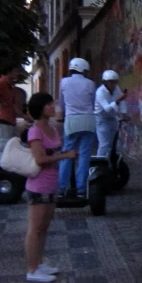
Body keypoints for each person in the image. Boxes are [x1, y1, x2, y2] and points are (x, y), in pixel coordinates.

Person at [24, 93, 77, 283]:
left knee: (44, 227)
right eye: (48, 104)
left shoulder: (53, 129)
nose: (52, 107)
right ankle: (31, 269)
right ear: (40, 108)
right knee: (35, 228)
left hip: (52, 183)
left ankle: (39, 263)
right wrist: (65, 156)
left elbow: (54, 151)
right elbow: (40, 159)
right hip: (38, 184)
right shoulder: (35, 131)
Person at [57, 58, 96, 198]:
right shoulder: (90, 83)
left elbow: (61, 103)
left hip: (71, 120)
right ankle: (81, 189)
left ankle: (61, 188)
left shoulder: (64, 82)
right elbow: (92, 102)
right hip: (88, 120)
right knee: (84, 155)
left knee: (67, 154)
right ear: (84, 69)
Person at [0, 66, 23, 164]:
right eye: (16, 71)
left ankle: (3, 165)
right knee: (2, 145)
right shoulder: (2, 82)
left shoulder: (9, 85)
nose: (18, 74)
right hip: (3, 118)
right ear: (9, 72)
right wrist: (0, 100)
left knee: (8, 144)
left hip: (8, 119)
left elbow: (12, 105)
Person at [94, 70, 128, 157]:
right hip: (101, 119)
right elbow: (107, 108)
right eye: (111, 82)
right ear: (105, 82)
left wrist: (124, 113)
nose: (113, 85)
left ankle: (108, 163)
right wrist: (118, 100)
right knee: (104, 144)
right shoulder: (100, 92)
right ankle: (99, 163)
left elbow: (122, 100)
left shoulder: (116, 89)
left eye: (115, 82)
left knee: (111, 144)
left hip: (112, 118)